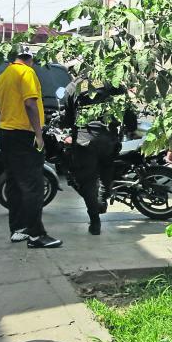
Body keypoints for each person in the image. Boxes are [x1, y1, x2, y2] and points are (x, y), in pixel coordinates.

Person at [0, 49, 62, 248]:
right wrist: (39, 135)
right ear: (29, 59)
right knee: (34, 185)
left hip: (6, 133)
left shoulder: (3, 76)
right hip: (24, 134)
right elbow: (30, 103)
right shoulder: (26, 72)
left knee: (14, 182)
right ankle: (36, 235)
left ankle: (19, 229)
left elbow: (2, 106)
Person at [61, 79, 135, 236]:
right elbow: (127, 110)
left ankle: (95, 221)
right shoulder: (114, 82)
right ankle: (102, 197)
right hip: (109, 139)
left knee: (87, 182)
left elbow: (66, 118)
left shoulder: (74, 86)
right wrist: (132, 127)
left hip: (84, 141)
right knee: (106, 169)